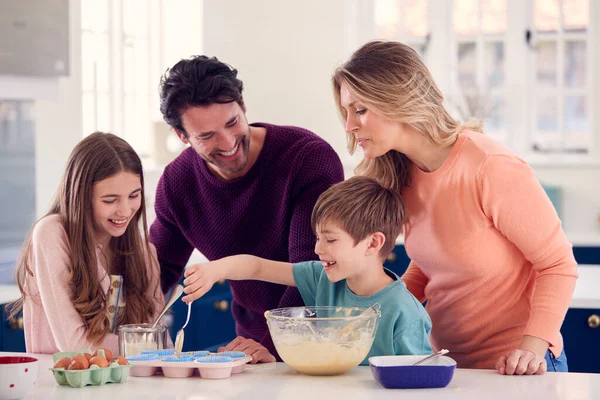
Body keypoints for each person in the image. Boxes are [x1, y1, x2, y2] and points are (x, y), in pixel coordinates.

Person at [331, 40, 578, 375]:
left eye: (359, 110)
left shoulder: (489, 166)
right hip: (448, 366)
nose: (349, 126)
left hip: (518, 369)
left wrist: (531, 350)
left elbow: (558, 265)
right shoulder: (401, 174)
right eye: (347, 112)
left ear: (398, 101)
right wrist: (380, 311)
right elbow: (433, 263)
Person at [151, 55, 344, 362]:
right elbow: (155, 273)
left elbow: (310, 274)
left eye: (232, 122)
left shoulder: (308, 159)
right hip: (252, 346)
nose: (228, 142)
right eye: (206, 135)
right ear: (182, 137)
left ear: (242, 105)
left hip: (316, 343)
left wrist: (274, 346)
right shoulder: (178, 182)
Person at [182, 176, 433, 362]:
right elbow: (257, 268)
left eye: (331, 240)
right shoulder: (323, 278)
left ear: (373, 243)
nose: (318, 249)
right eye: (317, 238)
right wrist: (215, 270)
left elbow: (418, 384)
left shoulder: (404, 313)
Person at [8, 132, 165, 355]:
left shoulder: (142, 251)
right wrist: (143, 346)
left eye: (134, 196)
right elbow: (76, 347)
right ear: (81, 196)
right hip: (63, 388)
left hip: (130, 387)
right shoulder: (52, 234)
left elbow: (161, 343)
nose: (125, 210)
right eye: (110, 200)